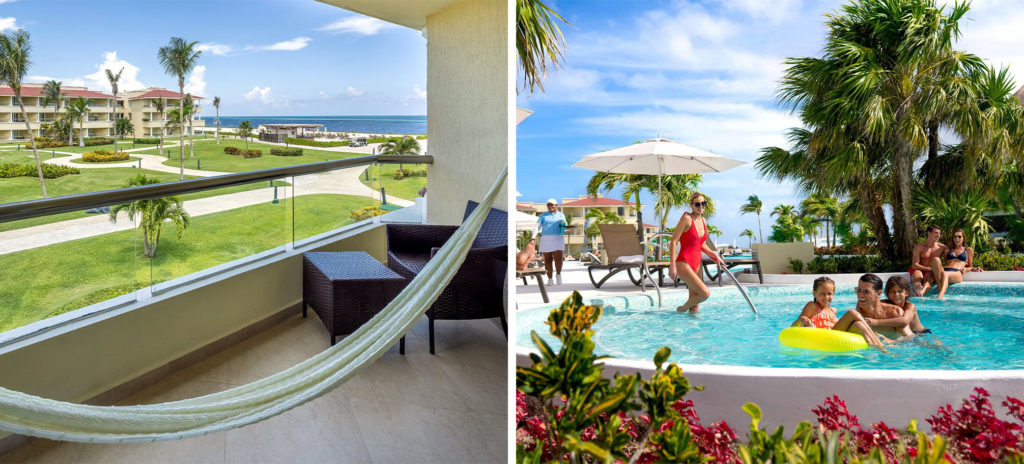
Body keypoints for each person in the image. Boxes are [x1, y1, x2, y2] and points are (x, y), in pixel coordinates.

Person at [668, 192, 726, 312]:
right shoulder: (687, 218)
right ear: (691, 205)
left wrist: (714, 255)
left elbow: (702, 244)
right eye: (697, 204)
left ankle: (694, 329)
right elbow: (674, 241)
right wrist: (672, 265)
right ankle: (681, 309)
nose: (701, 206)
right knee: (704, 294)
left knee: (695, 302)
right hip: (684, 263)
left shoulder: (703, 220)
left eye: (703, 203)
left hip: (697, 263)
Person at [868, 275, 936, 340]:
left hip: (921, 333)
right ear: (887, 293)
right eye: (892, 292)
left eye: (900, 291)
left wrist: (875, 322)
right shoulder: (885, 304)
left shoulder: (910, 306)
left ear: (906, 293)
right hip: (905, 334)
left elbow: (904, 321)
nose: (896, 295)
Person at [910, 225, 949, 298]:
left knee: (928, 279)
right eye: (936, 233)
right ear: (929, 233)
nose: (938, 235)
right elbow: (914, 265)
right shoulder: (919, 247)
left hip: (930, 273)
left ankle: (920, 293)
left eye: (939, 233)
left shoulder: (942, 248)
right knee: (918, 276)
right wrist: (930, 269)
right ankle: (917, 288)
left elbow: (950, 261)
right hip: (919, 269)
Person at [536, 198, 567, 286]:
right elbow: (538, 226)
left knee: (558, 258)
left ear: (556, 206)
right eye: (548, 204)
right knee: (548, 259)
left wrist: (563, 226)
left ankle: (558, 275)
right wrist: (533, 237)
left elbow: (564, 225)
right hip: (546, 238)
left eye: (552, 204)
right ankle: (550, 279)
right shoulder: (543, 215)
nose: (550, 206)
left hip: (558, 237)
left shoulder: (561, 215)